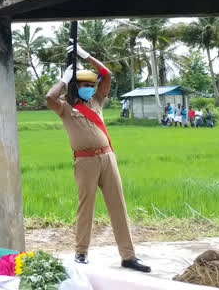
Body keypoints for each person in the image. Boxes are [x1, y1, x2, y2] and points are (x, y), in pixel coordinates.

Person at [45, 41, 150, 272]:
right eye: (84, 84)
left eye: (91, 85)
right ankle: (81, 252)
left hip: (107, 157)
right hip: (85, 162)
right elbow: (49, 98)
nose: (89, 88)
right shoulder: (65, 106)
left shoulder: (97, 100)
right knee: (86, 207)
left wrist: (85, 54)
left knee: (118, 205)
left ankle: (128, 256)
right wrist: (64, 79)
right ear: (75, 86)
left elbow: (107, 74)